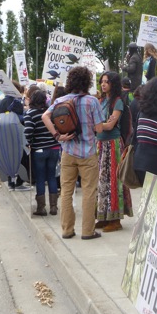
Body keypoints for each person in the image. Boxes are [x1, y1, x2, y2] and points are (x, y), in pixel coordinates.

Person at [42, 66, 104, 240]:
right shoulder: (92, 102)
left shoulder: (61, 100)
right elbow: (99, 128)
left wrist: (58, 135)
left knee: (67, 191)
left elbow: (45, 116)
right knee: (89, 192)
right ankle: (87, 231)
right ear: (87, 82)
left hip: (67, 152)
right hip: (88, 153)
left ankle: (67, 230)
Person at [96, 71, 133, 232]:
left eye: (107, 82)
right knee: (102, 182)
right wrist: (99, 125)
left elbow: (110, 125)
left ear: (113, 84)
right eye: (102, 81)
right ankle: (104, 217)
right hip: (102, 144)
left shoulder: (117, 102)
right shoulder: (101, 100)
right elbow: (103, 123)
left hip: (113, 145)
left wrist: (95, 125)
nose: (103, 84)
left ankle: (115, 219)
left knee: (113, 181)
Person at [24, 89, 61, 216]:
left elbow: (28, 131)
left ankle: (41, 207)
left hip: (39, 149)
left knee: (40, 178)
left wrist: (28, 142)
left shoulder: (30, 113)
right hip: (54, 148)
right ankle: (54, 207)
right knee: (51, 176)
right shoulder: (50, 112)